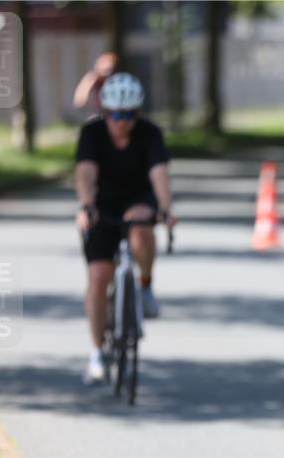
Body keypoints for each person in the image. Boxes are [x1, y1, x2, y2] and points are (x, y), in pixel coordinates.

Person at [74, 73, 176, 384]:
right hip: (101, 205)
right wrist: (86, 206)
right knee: (98, 278)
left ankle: (144, 287)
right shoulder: (92, 133)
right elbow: (85, 173)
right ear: (105, 111)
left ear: (138, 113)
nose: (122, 121)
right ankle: (96, 353)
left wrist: (166, 209)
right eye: (116, 115)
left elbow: (159, 174)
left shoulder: (149, 134)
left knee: (142, 229)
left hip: (137, 200)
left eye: (129, 115)